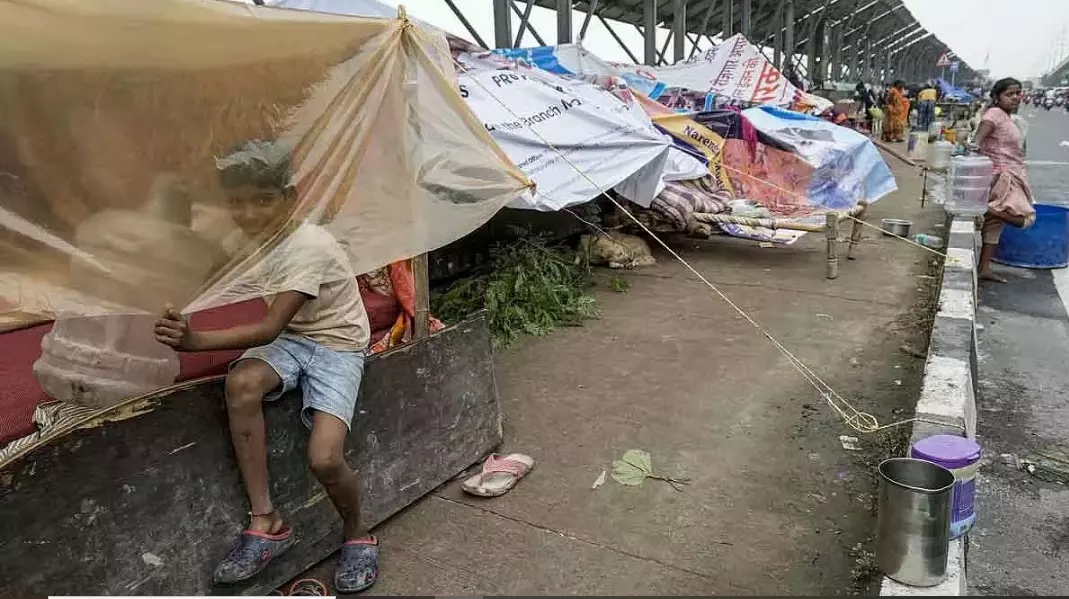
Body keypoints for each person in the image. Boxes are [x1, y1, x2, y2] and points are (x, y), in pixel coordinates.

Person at [153, 141, 379, 592]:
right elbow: (207, 272)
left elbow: (271, 327)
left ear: (290, 198)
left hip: (337, 344)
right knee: (241, 384)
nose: (250, 213)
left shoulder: (309, 246)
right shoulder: (246, 240)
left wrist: (195, 340)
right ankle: (267, 521)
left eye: (263, 199)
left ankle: (357, 532)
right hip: (296, 339)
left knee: (325, 458)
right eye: (237, 202)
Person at [974, 77, 1036, 283]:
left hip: (1012, 173)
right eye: (1010, 94)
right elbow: (976, 142)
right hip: (1001, 176)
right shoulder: (993, 115)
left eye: (1018, 93)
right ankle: (984, 207)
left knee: (994, 225)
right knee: (1026, 218)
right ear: (997, 97)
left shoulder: (1008, 118)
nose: (1016, 98)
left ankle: (984, 268)